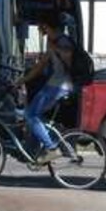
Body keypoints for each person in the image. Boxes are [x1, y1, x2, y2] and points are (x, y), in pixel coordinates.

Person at [21, 13, 74, 165]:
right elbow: (40, 66)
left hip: (59, 87)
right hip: (55, 85)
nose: (38, 29)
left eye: (39, 26)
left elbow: (68, 60)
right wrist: (22, 80)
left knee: (30, 114)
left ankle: (52, 149)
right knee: (35, 115)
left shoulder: (62, 42)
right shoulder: (55, 42)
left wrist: (56, 50)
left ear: (46, 26)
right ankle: (48, 143)